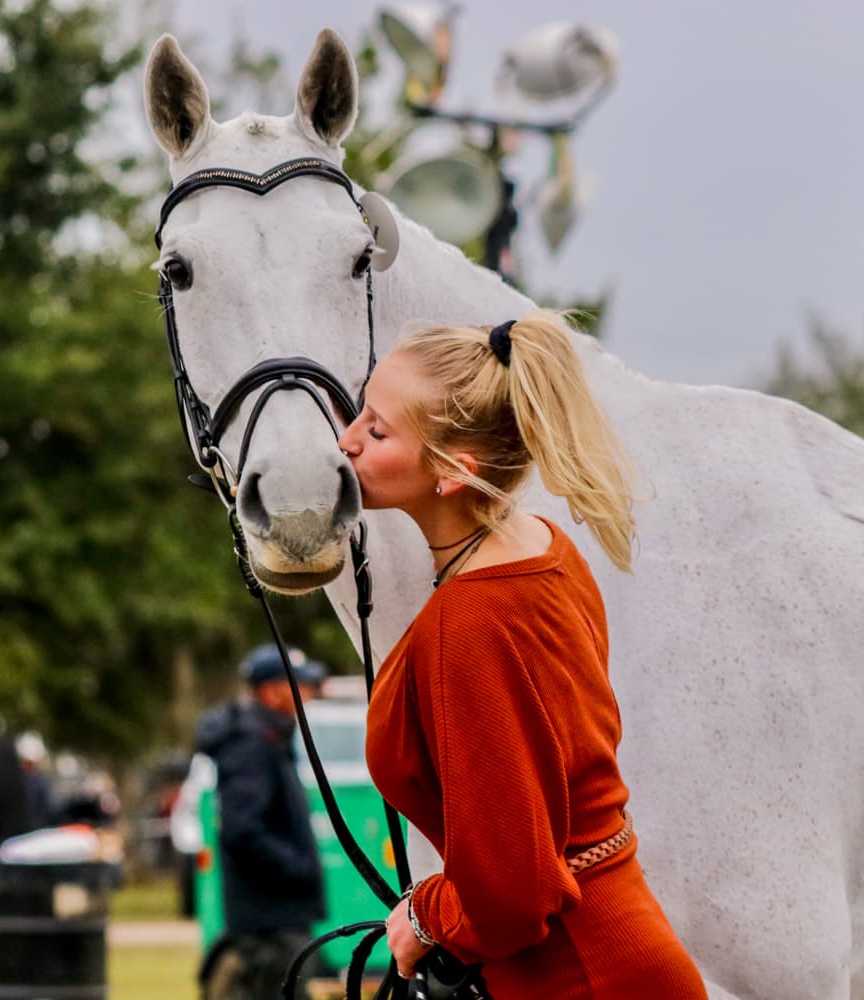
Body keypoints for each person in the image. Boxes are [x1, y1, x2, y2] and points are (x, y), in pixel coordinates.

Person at [336, 311, 707, 998]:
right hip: (618, 955)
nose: (346, 440)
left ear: (454, 472)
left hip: (579, 977)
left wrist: (424, 915)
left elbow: (512, 896)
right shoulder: (543, 547)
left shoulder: (470, 620)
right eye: (360, 413)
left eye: (377, 431)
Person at [194, 644, 326, 1000]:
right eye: (298, 684)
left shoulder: (271, 737)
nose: (308, 693)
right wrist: (298, 867)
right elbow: (241, 829)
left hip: (278, 918)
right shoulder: (252, 744)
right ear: (271, 692)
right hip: (270, 922)